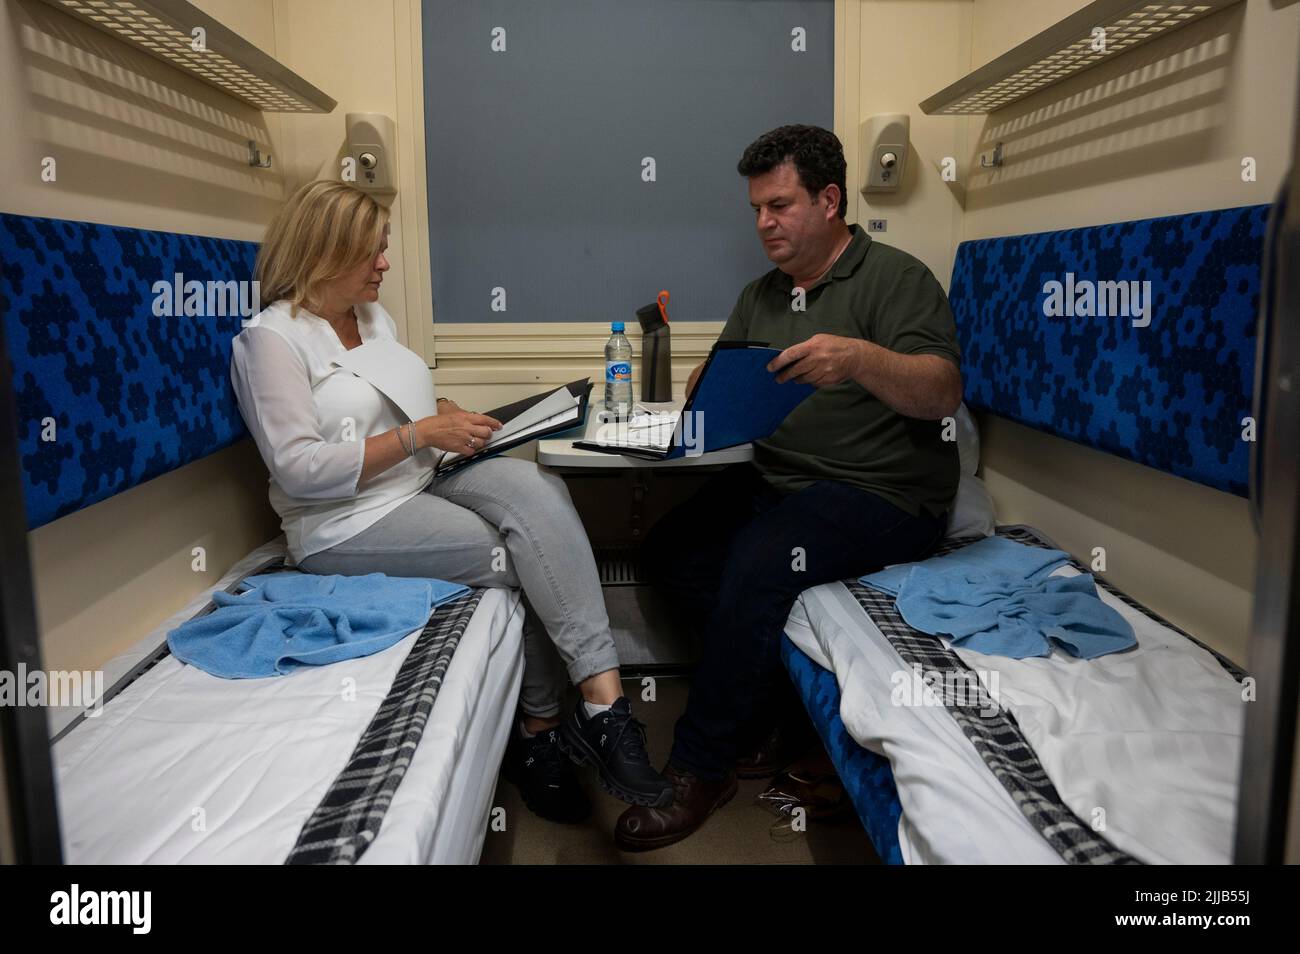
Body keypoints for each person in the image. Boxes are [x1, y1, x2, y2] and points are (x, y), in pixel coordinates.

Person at [230, 180, 672, 828]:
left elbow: (384, 403)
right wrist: (416, 434)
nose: (386, 263)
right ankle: (543, 730)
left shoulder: (372, 316)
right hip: (344, 518)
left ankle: (604, 709)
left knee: (540, 489)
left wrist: (439, 415)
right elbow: (298, 470)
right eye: (372, 252)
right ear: (326, 253)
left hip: (422, 475)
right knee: (512, 554)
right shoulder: (270, 341)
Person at [616, 125, 963, 850]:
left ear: (830, 200)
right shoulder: (762, 295)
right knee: (672, 552)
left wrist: (860, 359)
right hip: (778, 479)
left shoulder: (896, 279)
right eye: (756, 210)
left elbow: (941, 391)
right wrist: (707, 386)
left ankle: (699, 768)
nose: (764, 223)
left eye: (779, 205)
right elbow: (713, 382)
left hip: (882, 492)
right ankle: (770, 715)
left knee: (759, 564)